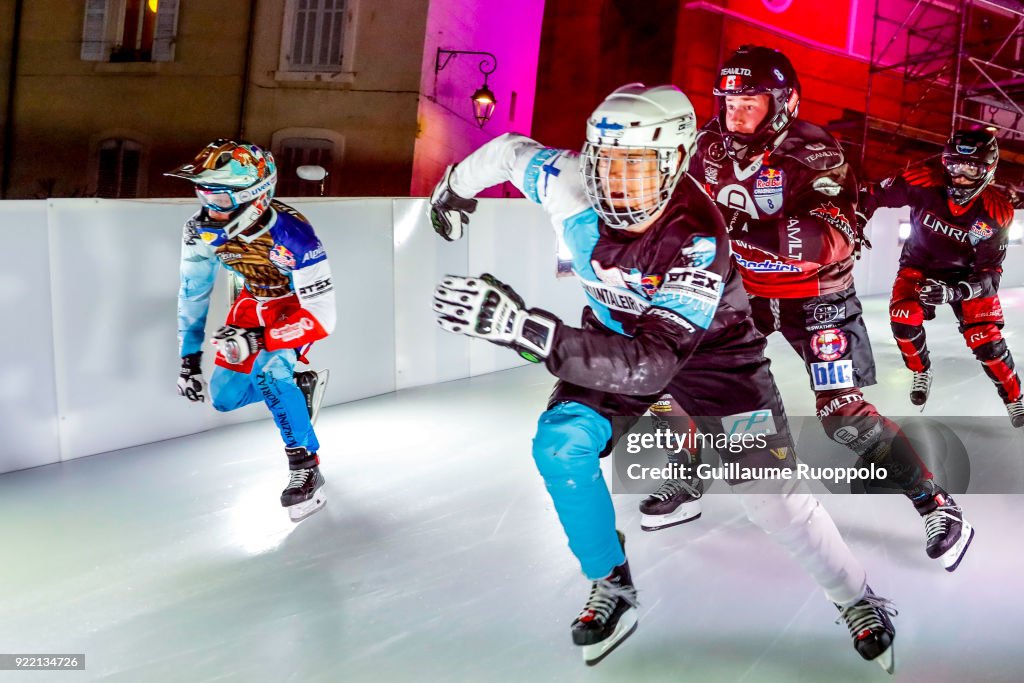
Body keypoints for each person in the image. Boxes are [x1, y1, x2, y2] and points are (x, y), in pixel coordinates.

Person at [428, 84, 896, 671]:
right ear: (586, 158)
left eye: (637, 167)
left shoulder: (700, 238)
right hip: (615, 340)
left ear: (676, 164)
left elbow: (652, 366)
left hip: (717, 365)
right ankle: (611, 580)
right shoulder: (563, 179)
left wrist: (531, 333)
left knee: (770, 497)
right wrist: (451, 188)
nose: (617, 184)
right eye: (605, 164)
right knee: (560, 446)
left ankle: (853, 595)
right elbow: (506, 152)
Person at [667, 44, 973, 573]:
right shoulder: (708, 147)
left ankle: (937, 505)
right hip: (747, 291)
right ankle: (688, 472)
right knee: (683, 372)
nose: (735, 115)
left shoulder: (817, 152)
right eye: (729, 103)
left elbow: (832, 238)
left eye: (750, 104)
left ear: (783, 103)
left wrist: (739, 229)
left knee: (843, 419)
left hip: (817, 299)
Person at [168, 139, 334, 522]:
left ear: (254, 196)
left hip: (295, 306)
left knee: (274, 373)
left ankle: (305, 467)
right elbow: (193, 293)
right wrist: (188, 360)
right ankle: (300, 389)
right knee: (223, 398)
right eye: (203, 194)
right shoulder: (198, 230)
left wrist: (260, 341)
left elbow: (324, 316)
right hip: (251, 304)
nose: (209, 208)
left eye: (221, 200)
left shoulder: (294, 233)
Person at [860, 128, 1022, 426]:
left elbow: (990, 277)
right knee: (903, 316)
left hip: (967, 278)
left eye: (970, 168)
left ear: (987, 171)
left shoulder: (997, 212)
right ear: (944, 163)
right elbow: (872, 194)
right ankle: (921, 370)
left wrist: (955, 292)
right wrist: (856, 221)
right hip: (919, 267)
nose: (959, 177)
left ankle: (1015, 399)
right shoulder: (922, 180)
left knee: (986, 341)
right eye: (954, 166)